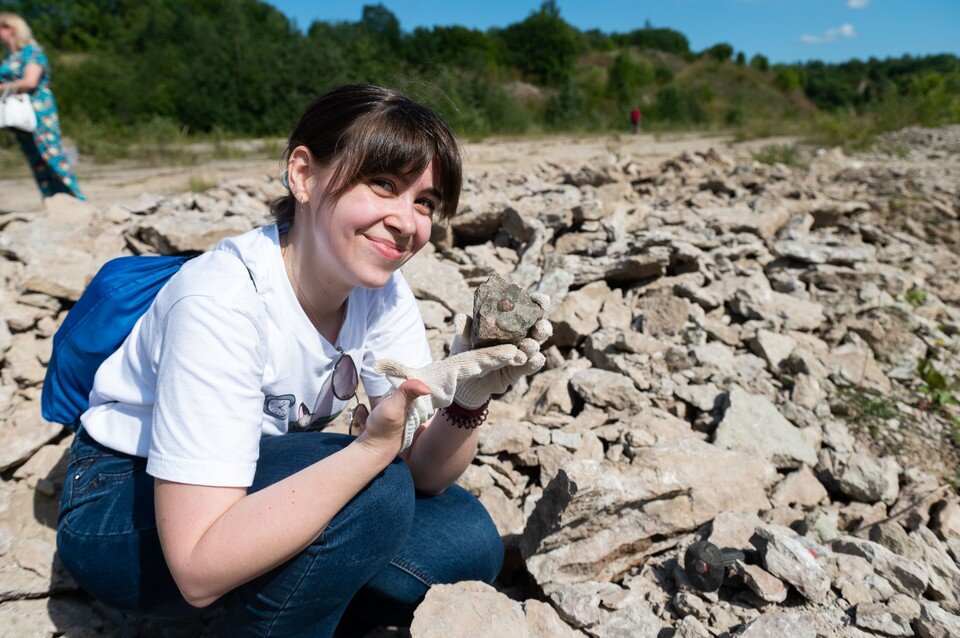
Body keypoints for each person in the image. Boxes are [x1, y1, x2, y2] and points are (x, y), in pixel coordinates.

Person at [55, 84, 551, 636]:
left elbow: (427, 474)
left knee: (465, 540)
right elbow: (194, 566)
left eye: (424, 202)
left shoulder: (381, 292)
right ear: (303, 175)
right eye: (383, 184)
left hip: (249, 478)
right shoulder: (220, 301)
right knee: (375, 494)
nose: (406, 221)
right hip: (126, 506)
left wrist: (468, 397)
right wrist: (371, 450)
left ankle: (287, 597)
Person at [0, 13, 84, 202]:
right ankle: (52, 200)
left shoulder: (32, 52)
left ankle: (76, 199)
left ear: (11, 29)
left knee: (51, 153)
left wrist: (2, 88)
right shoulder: (10, 57)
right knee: (35, 158)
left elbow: (31, 81)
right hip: (18, 113)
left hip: (38, 109)